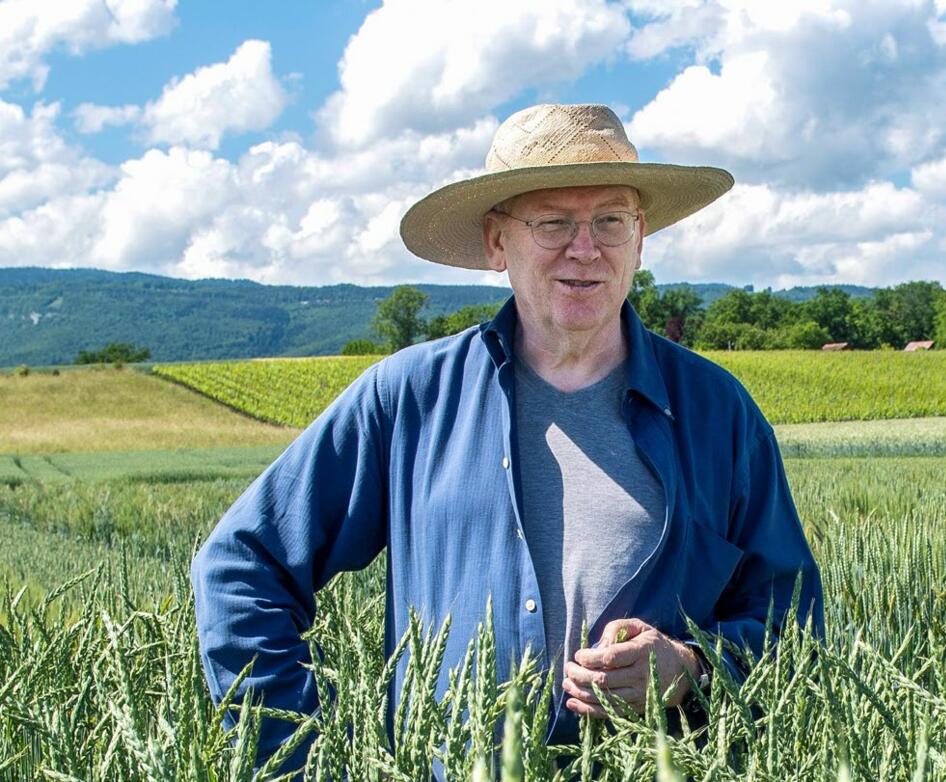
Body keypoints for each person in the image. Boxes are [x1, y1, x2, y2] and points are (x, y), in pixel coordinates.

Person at [192, 103, 824, 770]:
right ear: (498, 242)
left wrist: (693, 666)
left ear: (640, 238)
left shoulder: (718, 413)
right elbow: (241, 566)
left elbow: (793, 626)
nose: (585, 249)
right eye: (553, 223)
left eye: (611, 220)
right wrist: (295, 760)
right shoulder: (409, 398)